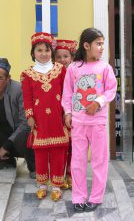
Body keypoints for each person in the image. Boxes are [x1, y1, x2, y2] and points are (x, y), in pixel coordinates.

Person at [62, 28, 117, 212]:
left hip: (98, 123)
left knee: (99, 161)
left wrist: (98, 102)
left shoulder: (105, 67)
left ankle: (95, 197)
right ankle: (78, 197)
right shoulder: (73, 68)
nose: (101, 47)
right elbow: (68, 92)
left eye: (102, 43)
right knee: (77, 161)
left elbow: (111, 90)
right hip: (78, 123)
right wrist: (68, 112)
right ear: (86, 45)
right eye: (98, 44)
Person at [20, 32, 69, 202]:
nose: (43, 53)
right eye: (39, 50)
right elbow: (27, 98)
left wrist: (67, 113)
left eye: (47, 50)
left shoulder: (60, 70)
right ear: (33, 52)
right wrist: (29, 116)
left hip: (58, 118)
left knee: (58, 152)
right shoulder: (27, 74)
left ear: (51, 52)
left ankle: (56, 186)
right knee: (40, 153)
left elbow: (66, 94)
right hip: (39, 120)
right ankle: (42, 185)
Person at [54, 39, 77, 190]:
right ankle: (59, 176)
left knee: (74, 148)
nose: (62, 60)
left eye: (66, 56)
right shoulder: (52, 74)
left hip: (74, 115)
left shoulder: (77, 72)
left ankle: (71, 175)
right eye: (59, 57)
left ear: (72, 57)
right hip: (57, 115)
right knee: (60, 147)